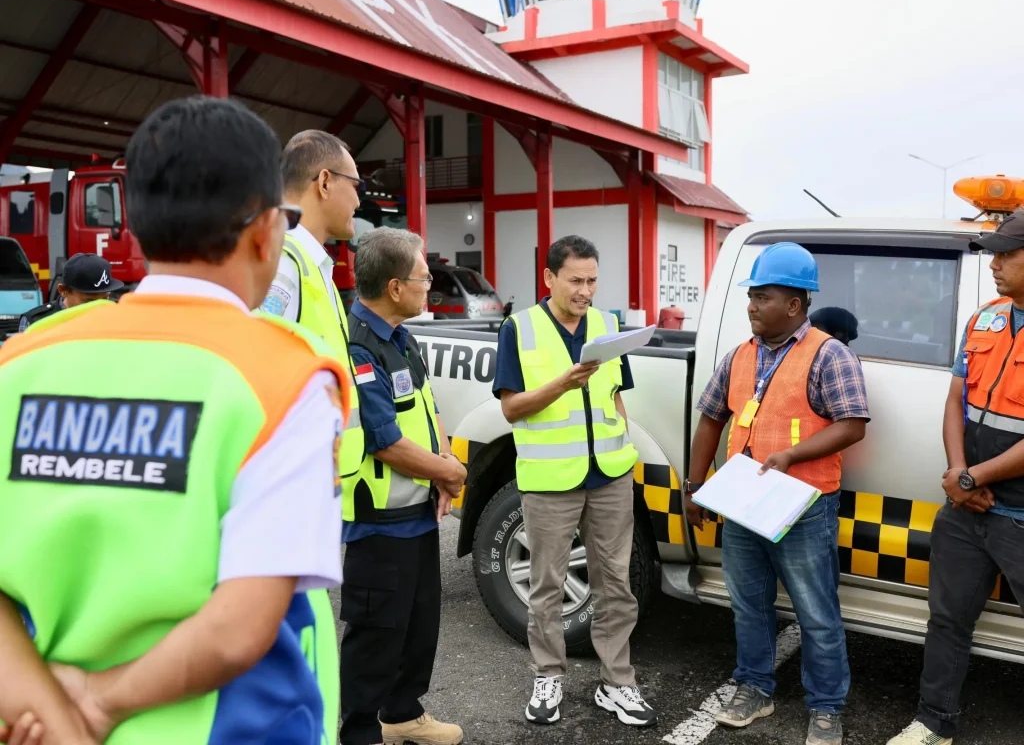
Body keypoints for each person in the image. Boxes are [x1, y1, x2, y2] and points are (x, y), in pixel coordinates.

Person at [0, 95, 350, 745]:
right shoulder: (285, 376)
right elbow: (241, 626)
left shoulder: (19, 364)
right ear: (267, 230)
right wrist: (100, 704)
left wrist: (55, 719)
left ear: (133, 232)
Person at [684, 242, 869, 745]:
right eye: (750, 295)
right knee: (748, 603)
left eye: (762, 297)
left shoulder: (830, 355)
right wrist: (694, 484)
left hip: (804, 505)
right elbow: (711, 419)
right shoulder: (740, 356)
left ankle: (827, 708)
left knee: (816, 612)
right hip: (743, 502)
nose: (751, 305)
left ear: (794, 304)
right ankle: (754, 688)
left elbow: (852, 425)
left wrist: (792, 456)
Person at [494, 235, 656, 728]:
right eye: (575, 280)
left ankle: (617, 684)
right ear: (549, 278)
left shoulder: (607, 326)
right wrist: (563, 383)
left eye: (592, 280)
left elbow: (616, 395)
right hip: (549, 479)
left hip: (609, 475)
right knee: (548, 586)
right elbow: (511, 408)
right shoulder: (518, 329)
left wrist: (622, 448)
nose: (586, 290)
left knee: (616, 582)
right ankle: (548, 677)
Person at [887, 213, 1024, 745]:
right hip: (967, 508)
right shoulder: (985, 319)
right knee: (946, 620)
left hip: (1016, 513)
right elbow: (955, 400)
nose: (994, 265)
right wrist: (958, 475)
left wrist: (970, 477)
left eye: (1006, 254)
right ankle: (932, 722)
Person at [339, 228, 465, 745]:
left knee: (417, 628)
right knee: (376, 636)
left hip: (415, 514)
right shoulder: (359, 343)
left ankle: (403, 714)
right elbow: (382, 439)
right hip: (378, 522)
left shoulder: (401, 337)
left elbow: (422, 417)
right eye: (423, 275)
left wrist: (443, 464)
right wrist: (447, 472)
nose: (430, 282)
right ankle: (362, 732)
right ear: (394, 287)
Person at [259, 128, 365, 740]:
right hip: (293, 489)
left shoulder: (314, 264)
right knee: (294, 644)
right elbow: (264, 371)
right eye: (354, 185)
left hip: (322, 484)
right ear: (324, 181)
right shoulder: (289, 263)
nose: (359, 200)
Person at [18, 253, 123, 332]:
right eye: (89, 301)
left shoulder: (119, 317)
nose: (98, 306)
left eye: (105, 299)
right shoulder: (35, 322)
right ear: (63, 291)